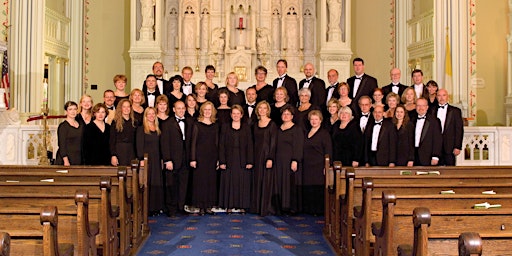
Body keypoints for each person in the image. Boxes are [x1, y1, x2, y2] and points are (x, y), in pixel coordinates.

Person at [218, 105, 254, 213]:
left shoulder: (246, 127)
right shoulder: (225, 126)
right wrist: (222, 161)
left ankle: (242, 205)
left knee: (242, 181)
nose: (236, 115)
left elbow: (250, 145)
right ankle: (229, 205)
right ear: (231, 115)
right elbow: (221, 145)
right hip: (229, 158)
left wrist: (250, 161)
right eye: (234, 113)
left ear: (242, 115)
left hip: (242, 158)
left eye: (238, 113)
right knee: (229, 181)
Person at [161, 100, 193, 216]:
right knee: (171, 185)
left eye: (183, 108)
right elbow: (165, 143)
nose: (181, 110)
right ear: (174, 109)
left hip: (185, 159)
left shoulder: (189, 122)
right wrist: (167, 160)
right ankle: (172, 209)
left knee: (183, 184)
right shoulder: (167, 124)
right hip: (173, 160)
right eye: (178, 108)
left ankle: (181, 207)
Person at [190, 101, 219, 215]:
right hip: (200, 156)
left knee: (211, 181)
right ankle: (201, 206)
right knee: (200, 181)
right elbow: (193, 143)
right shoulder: (197, 124)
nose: (207, 112)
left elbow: (217, 143)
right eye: (205, 109)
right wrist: (193, 159)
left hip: (212, 157)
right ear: (202, 111)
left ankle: (208, 206)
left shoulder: (215, 125)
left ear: (212, 112)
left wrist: (218, 159)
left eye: (209, 110)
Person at [274, 105, 304, 215]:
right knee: (280, 182)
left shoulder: (297, 129)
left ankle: (290, 207)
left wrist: (295, 160)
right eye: (284, 114)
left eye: (288, 114)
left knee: (289, 183)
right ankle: (281, 206)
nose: (286, 116)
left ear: (292, 116)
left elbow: (299, 146)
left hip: (290, 160)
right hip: (279, 160)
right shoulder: (278, 129)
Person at [302, 110, 332, 215]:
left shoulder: (324, 133)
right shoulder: (307, 132)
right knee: (309, 187)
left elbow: (328, 151)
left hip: (318, 165)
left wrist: (326, 166)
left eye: (316, 119)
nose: (314, 121)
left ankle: (318, 210)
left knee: (317, 188)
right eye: (312, 119)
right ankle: (309, 209)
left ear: (320, 120)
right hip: (307, 165)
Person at [251, 101, 277, 216]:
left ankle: (265, 208)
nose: (262, 110)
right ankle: (256, 207)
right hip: (256, 156)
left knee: (266, 181)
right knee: (257, 180)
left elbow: (273, 143)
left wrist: (270, 158)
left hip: (267, 156)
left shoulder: (272, 124)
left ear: (268, 110)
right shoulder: (255, 124)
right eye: (260, 108)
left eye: (264, 108)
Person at [136, 107, 164, 216]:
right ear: (145, 115)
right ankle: (147, 208)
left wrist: (161, 159)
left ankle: (156, 207)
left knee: (156, 182)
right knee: (148, 183)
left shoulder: (157, 128)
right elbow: (139, 145)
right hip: (147, 159)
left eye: (153, 114)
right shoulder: (141, 129)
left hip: (156, 159)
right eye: (149, 114)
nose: (151, 116)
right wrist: (141, 159)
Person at [433, 89, 464, 166]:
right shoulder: (432, 110)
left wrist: (457, 146)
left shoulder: (456, 111)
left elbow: (459, 130)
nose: (441, 98)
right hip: (435, 148)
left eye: (444, 95)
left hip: (450, 147)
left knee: (451, 171)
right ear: (436, 97)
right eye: (439, 95)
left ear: (448, 97)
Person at [412, 98, 442, 166]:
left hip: (427, 156)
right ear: (415, 107)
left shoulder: (434, 121)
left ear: (427, 107)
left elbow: (437, 140)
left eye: (423, 105)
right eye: (418, 105)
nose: (420, 108)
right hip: (414, 156)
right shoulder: (411, 120)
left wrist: (435, 156)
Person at [110, 99, 137, 166]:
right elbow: (112, 140)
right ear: (120, 108)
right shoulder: (115, 122)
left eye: (128, 107)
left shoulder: (135, 122)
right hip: (119, 150)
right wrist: (113, 155)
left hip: (131, 151)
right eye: (124, 107)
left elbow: (136, 140)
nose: (126, 109)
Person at [55, 101, 83, 166]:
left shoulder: (81, 125)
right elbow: (62, 145)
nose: (73, 111)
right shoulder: (63, 126)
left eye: (75, 109)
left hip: (78, 158)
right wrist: (66, 160)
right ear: (66, 111)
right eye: (70, 109)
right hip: (66, 160)